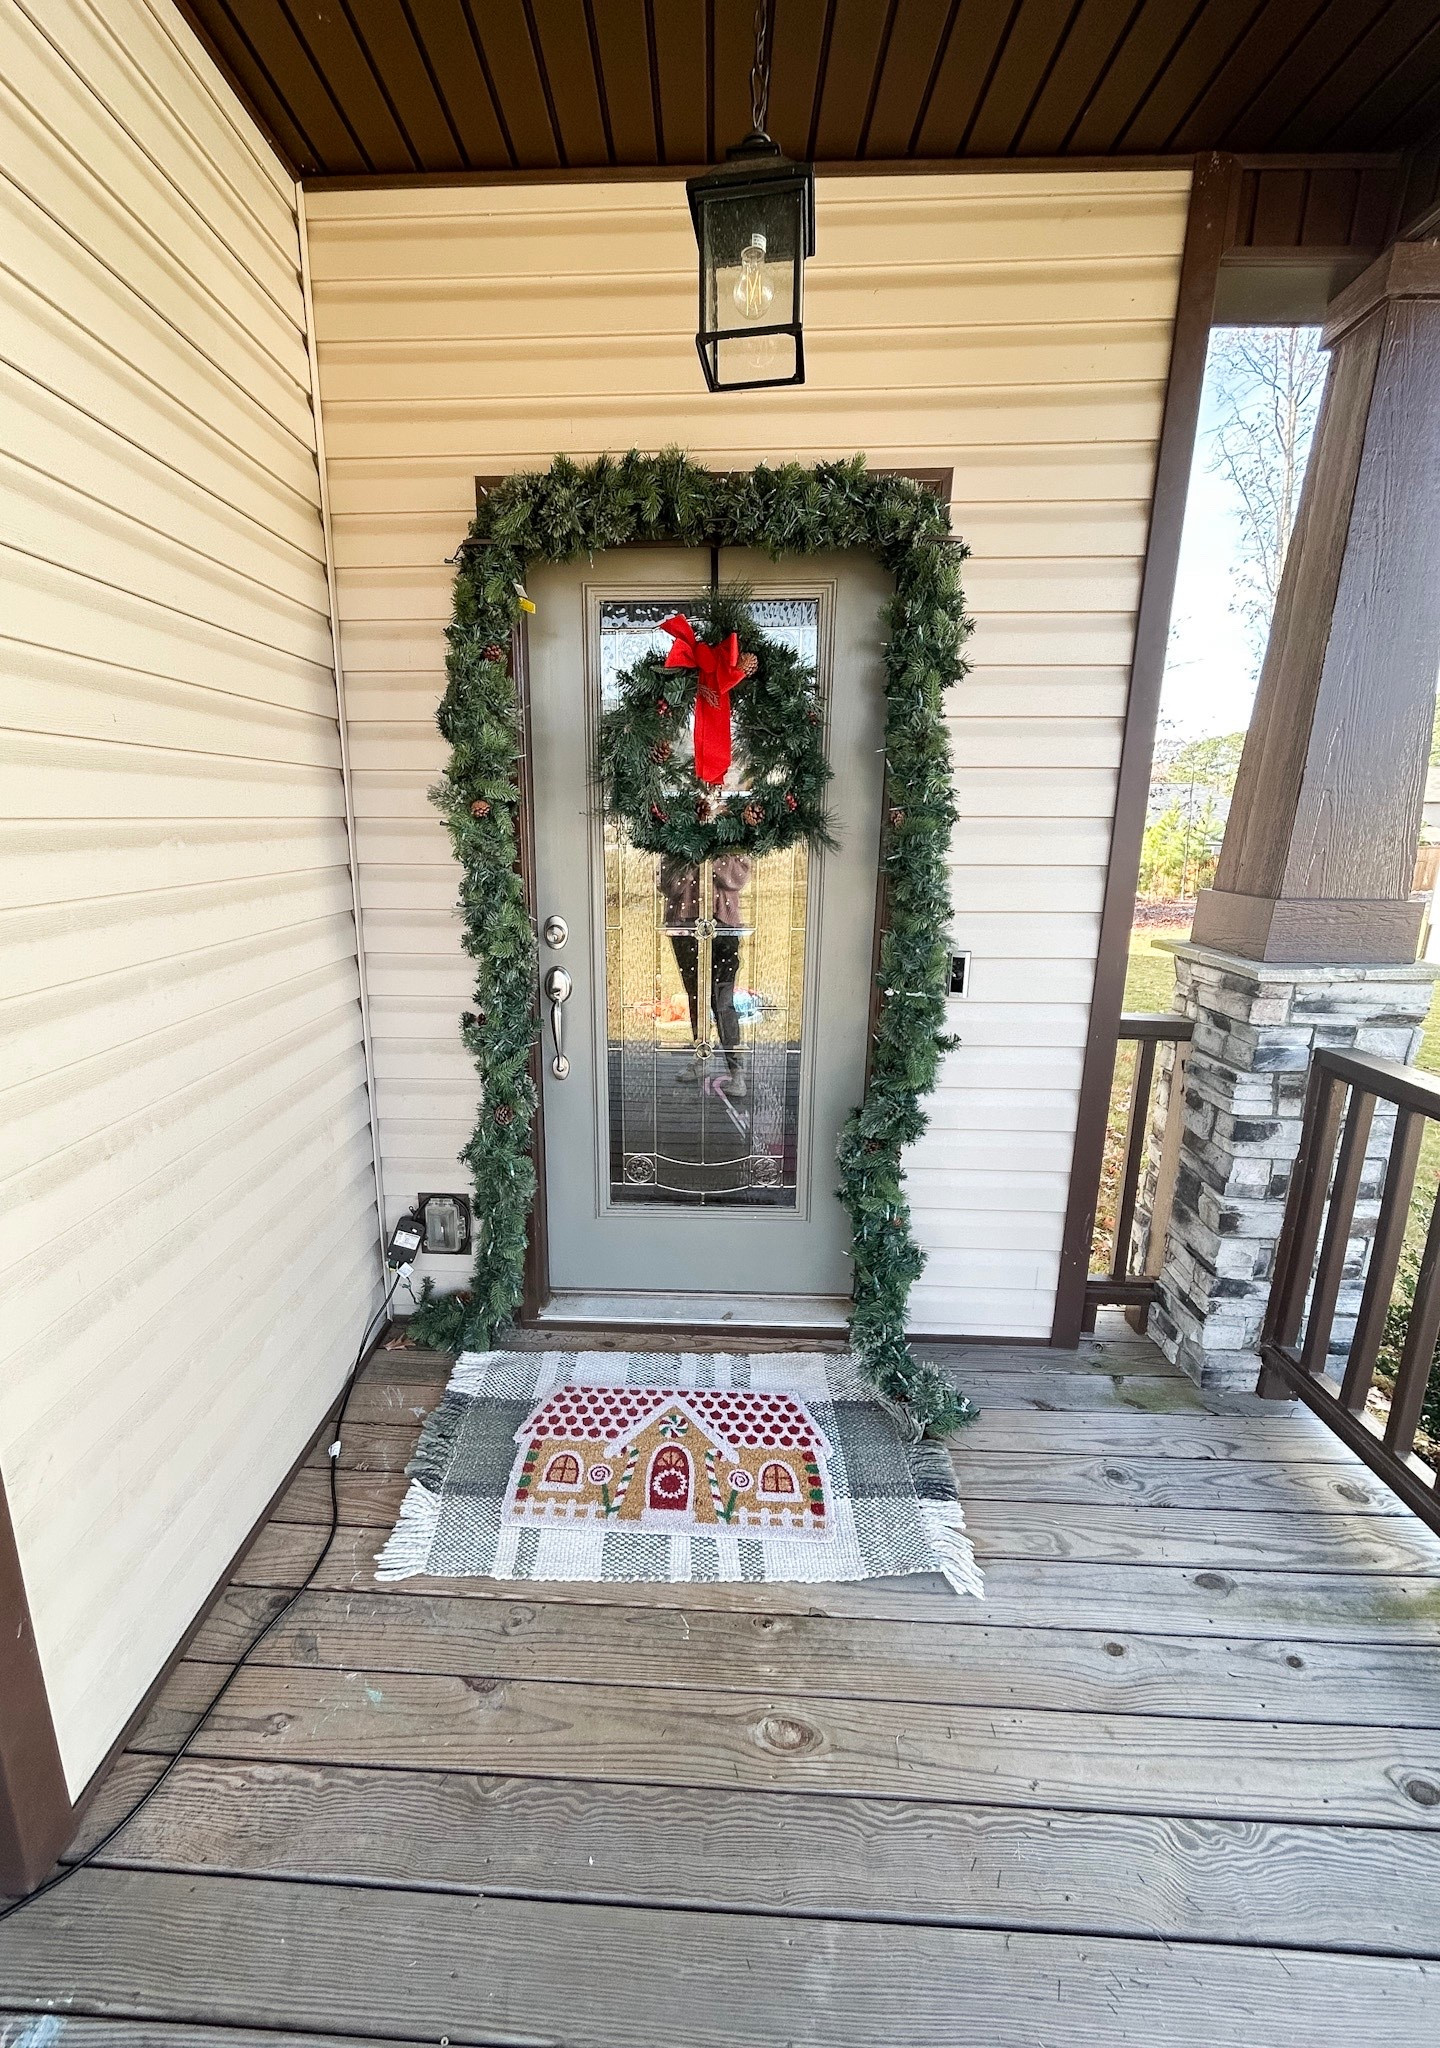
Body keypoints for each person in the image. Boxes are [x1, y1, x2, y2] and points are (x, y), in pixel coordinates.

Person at [659, 854, 751, 1095]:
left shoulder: (731, 829)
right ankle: (702, 1057)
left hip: (722, 925)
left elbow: (739, 875)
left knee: (723, 1000)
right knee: (695, 995)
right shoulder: (676, 831)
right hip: (684, 924)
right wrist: (690, 863)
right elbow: (666, 882)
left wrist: (707, 862)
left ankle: (736, 1072)